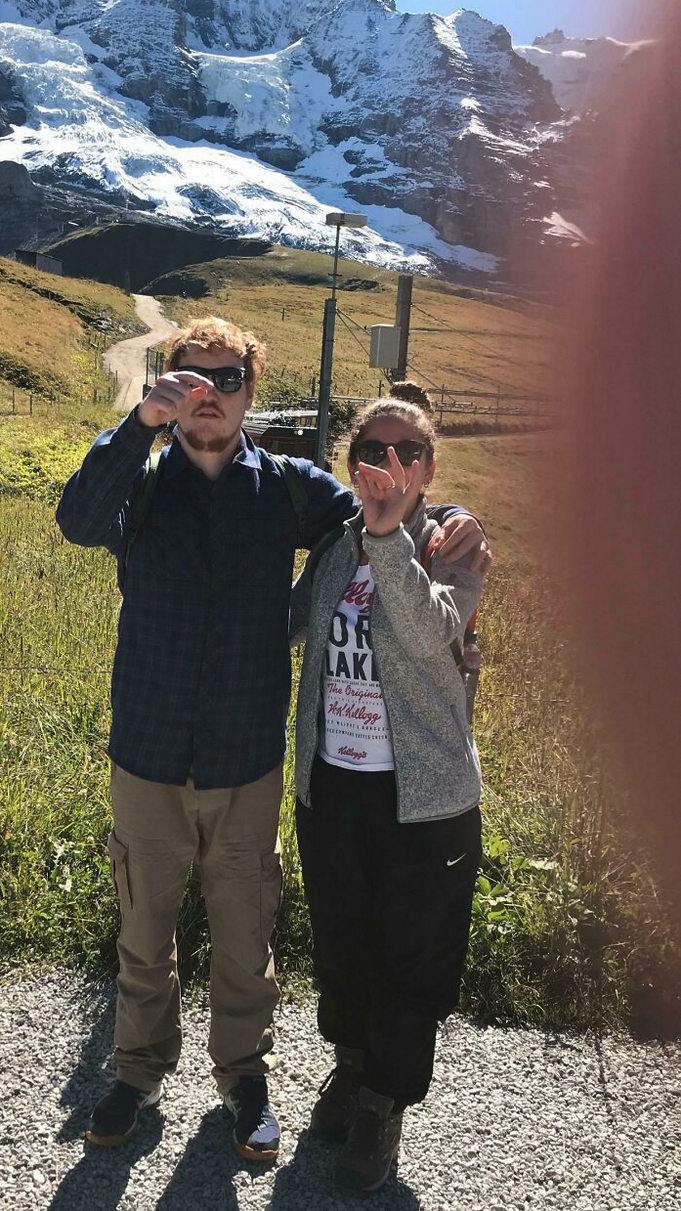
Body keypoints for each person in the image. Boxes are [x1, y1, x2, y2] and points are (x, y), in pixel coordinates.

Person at [55, 317, 491, 1158]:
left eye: (225, 378)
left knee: (246, 936)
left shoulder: (291, 490)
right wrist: (138, 422)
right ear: (167, 386)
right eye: (188, 377)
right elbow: (76, 519)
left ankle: (242, 1074)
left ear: (251, 392)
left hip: (246, 759)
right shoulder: (138, 484)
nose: (206, 393)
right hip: (145, 751)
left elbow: (391, 502)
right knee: (143, 931)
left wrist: (456, 516)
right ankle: (137, 1071)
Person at [290, 398, 484, 1192]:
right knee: (341, 943)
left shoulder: (454, 549)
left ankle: (381, 1102)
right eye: (373, 447)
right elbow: (286, 624)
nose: (391, 461)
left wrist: (387, 536)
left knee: (411, 958)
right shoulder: (336, 546)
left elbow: (431, 632)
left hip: (426, 798)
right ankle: (351, 1066)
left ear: (429, 468)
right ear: (353, 460)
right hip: (332, 785)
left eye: (408, 450)